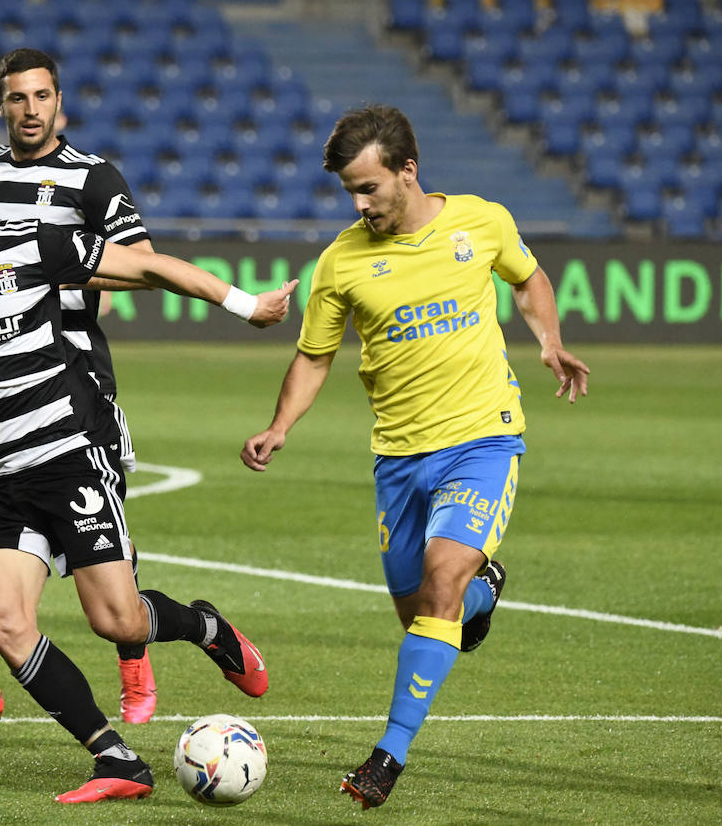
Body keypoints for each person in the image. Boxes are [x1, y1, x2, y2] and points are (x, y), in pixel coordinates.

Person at [0, 142, 294, 802]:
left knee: (118, 623)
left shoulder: (37, 243)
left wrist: (247, 306)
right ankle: (116, 758)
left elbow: (150, 268)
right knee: (3, 621)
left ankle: (206, 628)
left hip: (68, 457)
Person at [240, 106, 590, 810]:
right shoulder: (340, 263)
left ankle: (387, 757)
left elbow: (528, 279)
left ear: (408, 171)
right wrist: (280, 425)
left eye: (370, 188)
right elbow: (314, 357)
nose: (361, 203)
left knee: (439, 588)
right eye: (350, 193)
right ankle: (483, 590)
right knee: (427, 619)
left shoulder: (480, 221)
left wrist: (547, 339)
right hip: (398, 459)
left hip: (482, 438)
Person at [0, 47, 163, 728]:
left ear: (60, 101)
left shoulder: (92, 178)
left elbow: (142, 264)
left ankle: (132, 656)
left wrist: (53, 276)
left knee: (101, 535)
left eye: (41, 97)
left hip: (75, 378)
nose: (29, 111)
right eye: (16, 99)